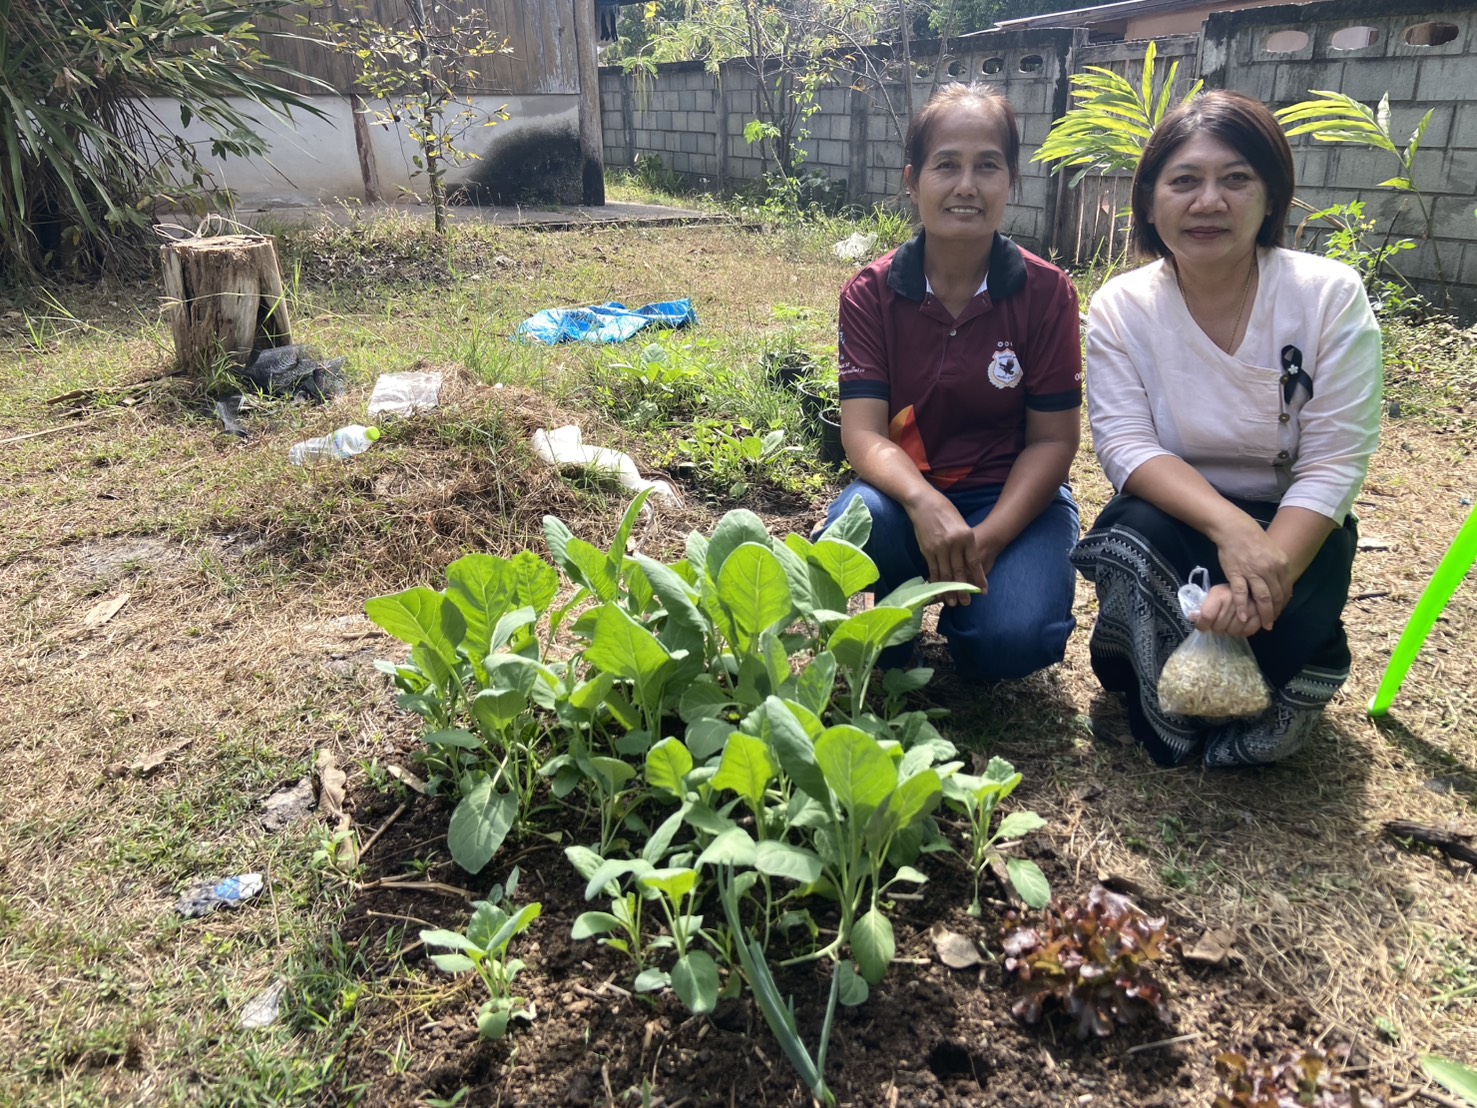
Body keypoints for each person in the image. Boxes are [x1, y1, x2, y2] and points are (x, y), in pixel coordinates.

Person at [1071, 90, 1383, 768]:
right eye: (1183, 181)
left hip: (1292, 523)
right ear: (1149, 202)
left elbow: (1333, 462)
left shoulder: (1326, 296)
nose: (1207, 201)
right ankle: (1167, 684)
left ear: (1270, 198)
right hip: (1180, 514)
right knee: (1130, 532)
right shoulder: (1121, 308)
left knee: (1277, 669)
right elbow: (1125, 446)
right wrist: (1229, 530)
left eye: (1234, 179)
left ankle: (1294, 654)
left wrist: (1259, 569)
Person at [817, 84, 1084, 682]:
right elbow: (863, 435)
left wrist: (987, 538)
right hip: (903, 496)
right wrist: (923, 501)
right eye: (947, 165)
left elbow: (1052, 442)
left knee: (1012, 642)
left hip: (1010, 502)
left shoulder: (1047, 294)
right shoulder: (872, 293)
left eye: (987, 165)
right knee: (852, 527)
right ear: (913, 180)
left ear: (1011, 180)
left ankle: (974, 625)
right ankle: (898, 617)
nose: (967, 185)